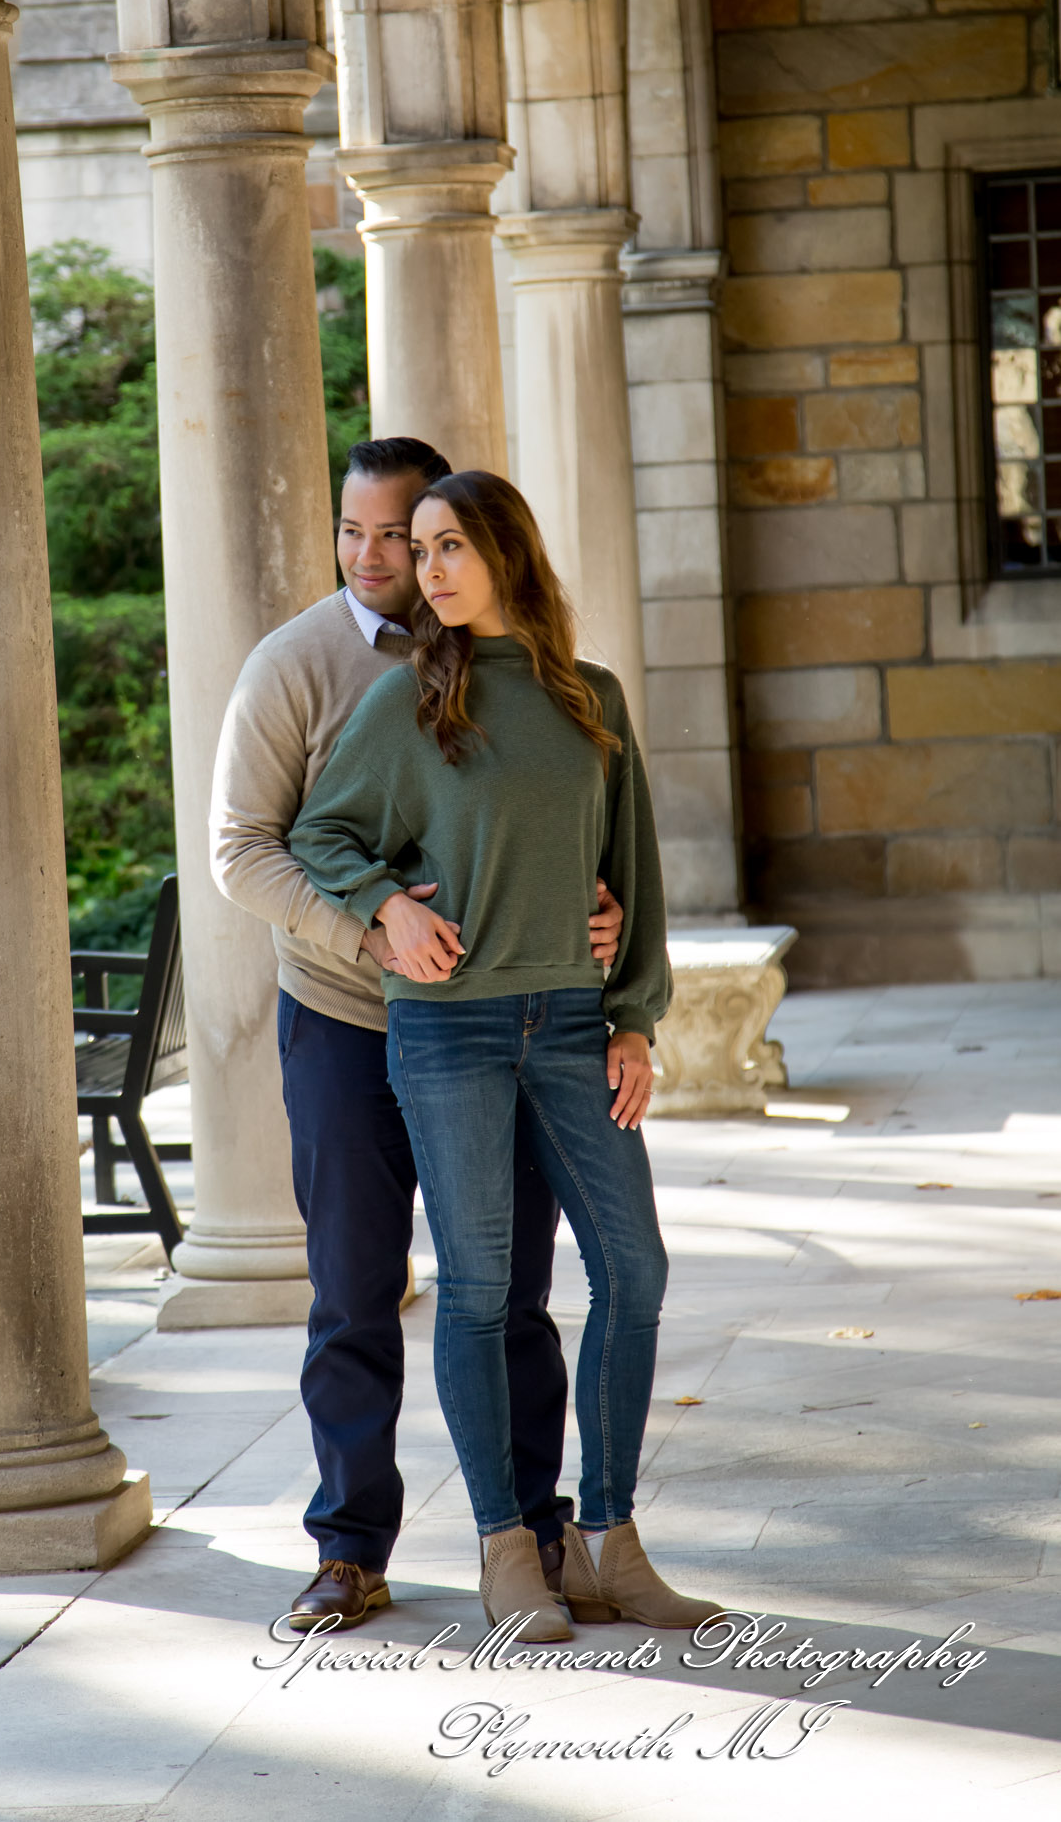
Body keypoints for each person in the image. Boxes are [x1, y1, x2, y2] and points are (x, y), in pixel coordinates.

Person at [289, 469, 718, 1642]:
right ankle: (505, 1555)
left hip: (576, 1026)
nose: (426, 569)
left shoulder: (593, 699)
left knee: (633, 1272)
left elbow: (635, 869)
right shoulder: (416, 701)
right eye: (417, 550)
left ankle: (608, 1542)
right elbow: (319, 832)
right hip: (452, 1030)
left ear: (508, 551)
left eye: (448, 545)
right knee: (481, 1290)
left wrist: (635, 1014)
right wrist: (390, 909)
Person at [210, 438, 625, 1633]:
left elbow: (568, 814)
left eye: (405, 534)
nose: (377, 556)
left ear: (457, 537)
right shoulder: (294, 666)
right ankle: (351, 1544)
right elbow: (244, 851)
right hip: (346, 1021)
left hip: (502, 1027)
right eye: (357, 533)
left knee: (512, 1290)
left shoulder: (515, 670)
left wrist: (588, 907)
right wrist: (374, 929)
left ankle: (538, 1532)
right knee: (352, 1285)